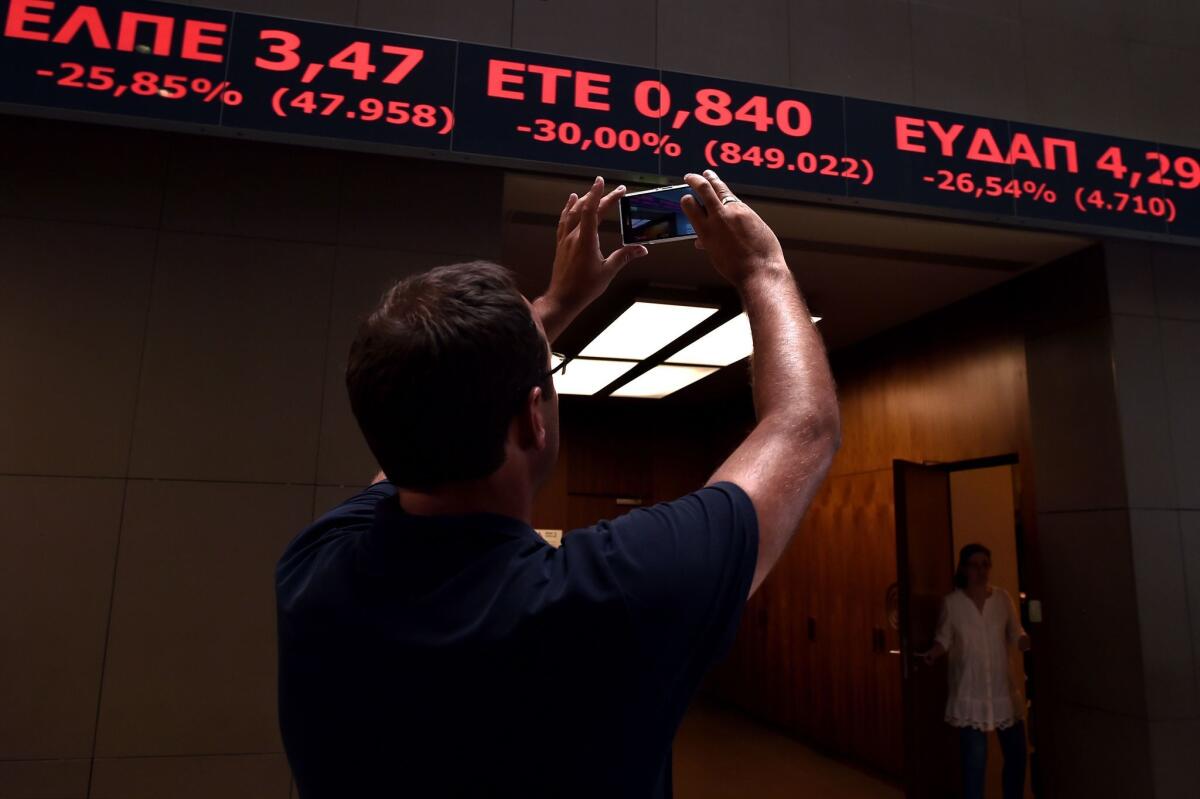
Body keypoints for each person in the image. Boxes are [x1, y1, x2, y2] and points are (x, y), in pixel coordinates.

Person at [275, 170, 840, 797]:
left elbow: (415, 405)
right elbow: (802, 426)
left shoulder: (314, 572)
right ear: (531, 419)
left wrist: (555, 304)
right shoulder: (612, 595)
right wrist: (764, 268)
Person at [920, 543, 1032, 799]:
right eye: (975, 565)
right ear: (965, 569)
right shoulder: (953, 603)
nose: (981, 571)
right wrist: (933, 653)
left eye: (985, 565)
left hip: (1003, 692)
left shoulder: (1002, 599)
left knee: (1016, 759)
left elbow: (1016, 632)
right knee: (974, 766)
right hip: (971, 695)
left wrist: (1027, 641)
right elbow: (944, 638)